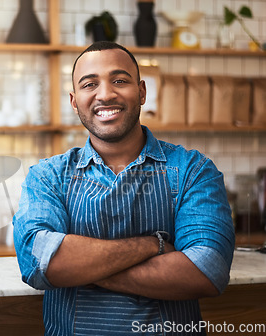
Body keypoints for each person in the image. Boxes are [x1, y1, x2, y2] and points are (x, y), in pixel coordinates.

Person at [13, 41, 235, 335]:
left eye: (119, 80)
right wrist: (152, 245)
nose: (105, 94)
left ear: (142, 92)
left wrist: (81, 270)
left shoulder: (192, 170)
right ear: (74, 101)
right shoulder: (48, 176)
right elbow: (38, 262)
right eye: (89, 84)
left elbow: (207, 270)